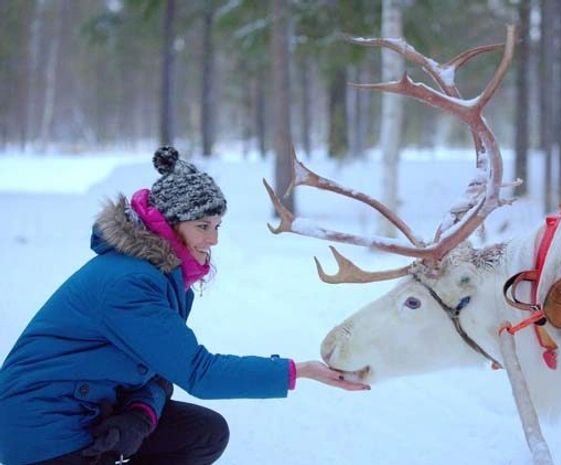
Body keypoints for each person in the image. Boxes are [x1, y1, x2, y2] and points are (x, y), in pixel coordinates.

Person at [0, 146, 369, 465]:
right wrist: (299, 371)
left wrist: (141, 416)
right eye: (203, 226)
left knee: (203, 433)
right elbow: (199, 373)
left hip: (88, 409)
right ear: (167, 224)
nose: (214, 239)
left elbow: (157, 373)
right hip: (42, 428)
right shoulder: (130, 282)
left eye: (218, 226)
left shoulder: (164, 278)